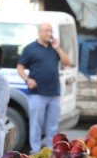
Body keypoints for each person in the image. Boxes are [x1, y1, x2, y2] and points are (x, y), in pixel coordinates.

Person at [16, 22, 71, 150]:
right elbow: (20, 67)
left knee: (53, 126)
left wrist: (57, 47)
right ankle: (35, 151)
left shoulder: (55, 48)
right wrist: (27, 79)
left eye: (51, 31)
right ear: (39, 32)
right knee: (36, 125)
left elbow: (67, 62)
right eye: (46, 31)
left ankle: (51, 152)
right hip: (37, 93)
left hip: (54, 93)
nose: (49, 33)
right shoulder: (30, 48)